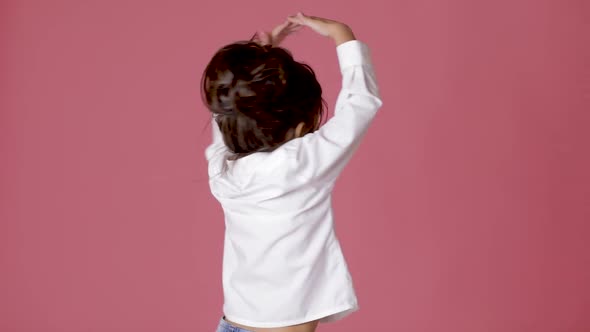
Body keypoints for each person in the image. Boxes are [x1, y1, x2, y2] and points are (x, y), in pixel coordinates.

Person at [201, 12, 383, 332]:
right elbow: (360, 104)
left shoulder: (223, 170)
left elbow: (226, 112)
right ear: (302, 125)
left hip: (230, 324)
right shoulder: (300, 164)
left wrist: (260, 60)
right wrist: (342, 34)